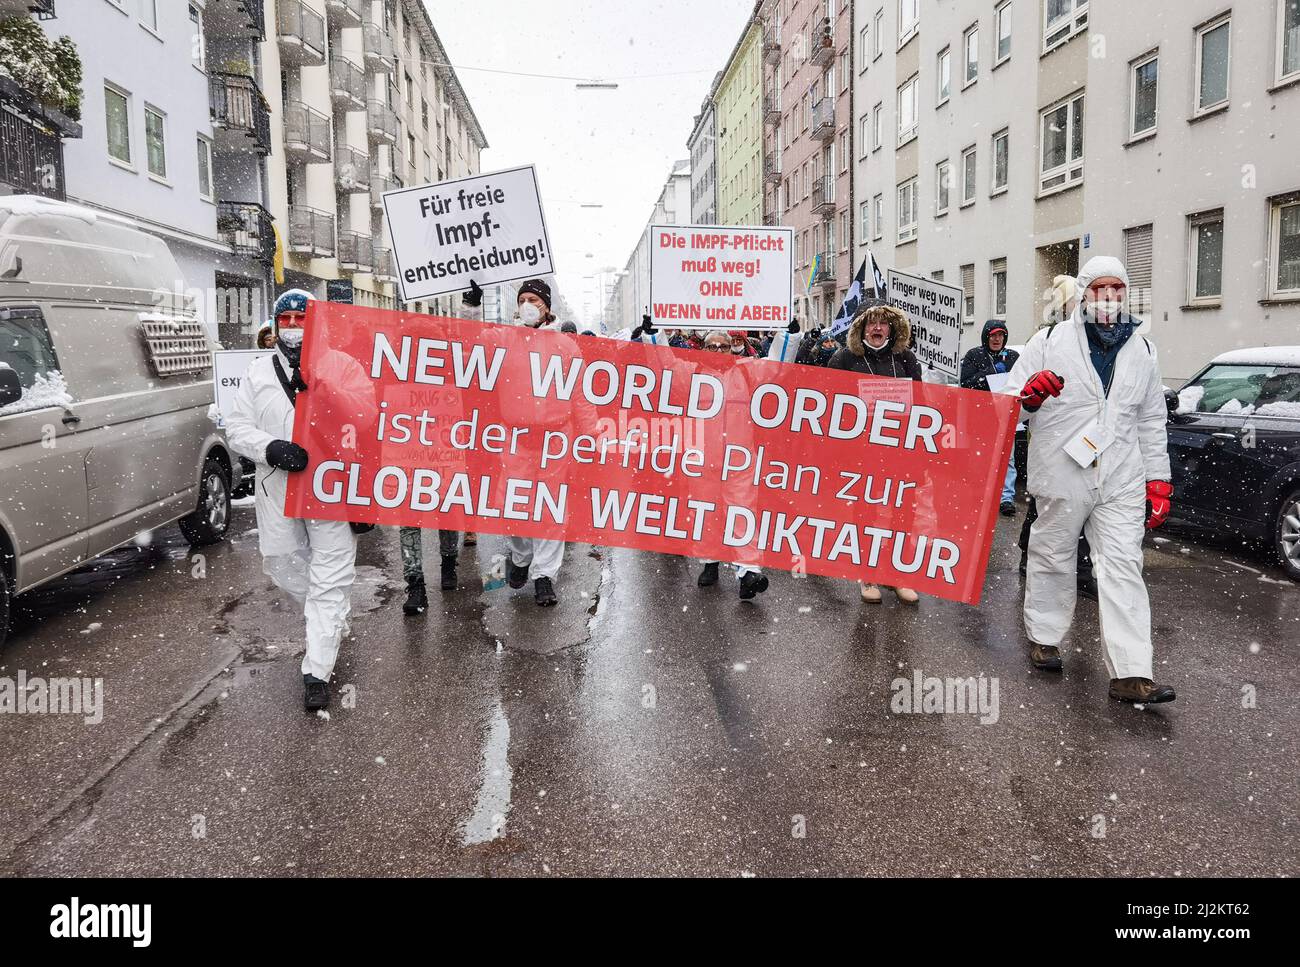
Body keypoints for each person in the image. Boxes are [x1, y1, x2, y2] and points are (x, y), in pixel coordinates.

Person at [1003, 255, 1176, 705]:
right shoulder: (1048, 342)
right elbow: (1005, 408)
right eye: (1100, 289)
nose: (1110, 298)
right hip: (1062, 472)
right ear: (1084, 295)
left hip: (1120, 477)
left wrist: (1158, 480)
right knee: (1053, 555)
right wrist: (1029, 396)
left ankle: (1132, 672)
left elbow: (1151, 419)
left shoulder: (1143, 349)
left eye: (1117, 289)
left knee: (1123, 566)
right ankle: (1044, 637)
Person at [226, 289, 374, 711]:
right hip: (278, 488)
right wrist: (269, 446)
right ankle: (329, 617)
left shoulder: (342, 366)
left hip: (331, 489)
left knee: (331, 574)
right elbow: (237, 427)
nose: (293, 326)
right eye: (285, 318)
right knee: (283, 565)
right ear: (275, 324)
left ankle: (317, 670)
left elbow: (366, 417)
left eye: (300, 318)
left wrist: (324, 387)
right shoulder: (258, 373)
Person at [827, 304, 923, 605]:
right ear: (862, 328)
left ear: (892, 328)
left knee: (903, 513)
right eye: (872, 323)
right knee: (865, 513)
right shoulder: (844, 358)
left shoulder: (905, 359)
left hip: (901, 450)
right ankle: (867, 574)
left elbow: (920, 402)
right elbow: (829, 401)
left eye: (883, 323)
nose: (878, 328)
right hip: (862, 451)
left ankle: (898, 574)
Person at [1018, 274, 1096, 598]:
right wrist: (1030, 397)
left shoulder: (1116, 349)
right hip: (1052, 455)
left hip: (1094, 453)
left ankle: (1081, 572)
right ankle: (1030, 555)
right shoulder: (1045, 342)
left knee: (1086, 515)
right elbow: (1015, 407)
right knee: (1045, 511)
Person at [504, 278, 567, 606]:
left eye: (534, 299)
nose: (527, 305)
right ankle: (520, 557)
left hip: (554, 438)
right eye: (522, 299)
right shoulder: (505, 340)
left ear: (546, 306)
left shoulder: (565, 346)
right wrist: (470, 307)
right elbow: (465, 343)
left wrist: (593, 433)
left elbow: (580, 395)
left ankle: (545, 576)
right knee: (515, 506)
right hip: (516, 437)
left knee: (550, 508)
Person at [695, 330, 770, 599]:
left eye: (724, 347)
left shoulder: (747, 371)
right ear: (703, 349)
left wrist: (790, 337)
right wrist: (651, 336)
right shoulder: (692, 374)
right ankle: (710, 563)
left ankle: (748, 572)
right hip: (703, 460)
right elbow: (663, 366)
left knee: (742, 513)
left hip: (739, 460)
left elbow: (778, 366)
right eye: (712, 347)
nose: (718, 352)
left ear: (732, 349)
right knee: (708, 515)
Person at [961, 320, 1021, 516]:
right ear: (986, 336)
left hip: (1005, 414)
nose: (997, 339)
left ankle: (1006, 498)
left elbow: (1023, 381)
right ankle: (981, 497)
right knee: (980, 458)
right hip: (981, 414)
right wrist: (990, 372)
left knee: (1008, 458)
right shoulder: (974, 355)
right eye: (993, 335)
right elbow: (966, 383)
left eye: (1001, 335)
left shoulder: (1013, 356)